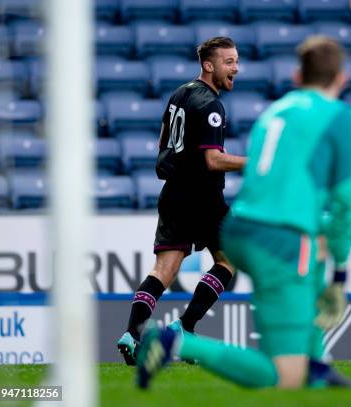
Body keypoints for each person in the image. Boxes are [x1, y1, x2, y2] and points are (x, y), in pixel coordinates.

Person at [136, 36, 351, 389]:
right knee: (284, 376)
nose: (236, 68)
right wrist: (339, 273)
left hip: (242, 225)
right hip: (277, 236)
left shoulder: (274, 111)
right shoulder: (343, 117)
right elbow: (343, 200)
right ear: (341, 80)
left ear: (297, 77)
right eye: (230, 61)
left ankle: (317, 364)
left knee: (310, 254)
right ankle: (176, 340)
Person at [117, 37, 246, 365]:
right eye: (228, 62)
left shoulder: (180, 93)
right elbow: (213, 161)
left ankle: (132, 334)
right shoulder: (212, 106)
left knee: (164, 269)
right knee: (229, 259)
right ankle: (185, 326)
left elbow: (163, 143)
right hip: (202, 196)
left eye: (236, 61)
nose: (236, 68)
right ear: (209, 65)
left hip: (174, 193)